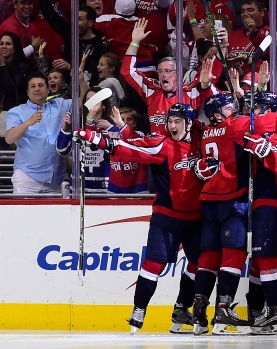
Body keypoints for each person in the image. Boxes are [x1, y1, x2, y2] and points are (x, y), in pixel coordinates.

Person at [73, 103, 203, 334]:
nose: (172, 126)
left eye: (177, 122)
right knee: (154, 264)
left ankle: (182, 308)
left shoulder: (200, 140)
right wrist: (94, 137)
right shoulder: (160, 144)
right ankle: (139, 310)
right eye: (169, 121)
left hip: (197, 218)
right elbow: (124, 147)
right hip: (167, 216)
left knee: (199, 263)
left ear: (190, 124)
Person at [192, 93, 277, 335]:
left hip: (221, 199)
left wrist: (269, 151)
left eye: (258, 108)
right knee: (253, 256)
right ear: (219, 114)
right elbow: (262, 125)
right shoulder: (238, 126)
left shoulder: (207, 132)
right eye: (233, 107)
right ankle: (276, 312)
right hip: (235, 199)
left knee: (256, 257)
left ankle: (203, 312)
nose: (244, 111)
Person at [121, 18, 216, 135]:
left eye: (167, 70)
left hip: (183, 150)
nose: (163, 74)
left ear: (178, 73)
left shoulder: (191, 92)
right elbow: (127, 71)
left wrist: (206, 85)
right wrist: (135, 42)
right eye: (160, 71)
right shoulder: (151, 90)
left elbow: (214, 100)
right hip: (157, 149)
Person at [5, 71, 71, 193]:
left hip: (55, 180)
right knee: (23, 213)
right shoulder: (16, 111)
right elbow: (9, 138)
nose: (37, 89)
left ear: (47, 89)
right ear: (27, 92)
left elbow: (84, 102)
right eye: (33, 86)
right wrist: (28, 122)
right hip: (27, 178)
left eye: (40, 85)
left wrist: (81, 80)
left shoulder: (61, 104)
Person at [56, 87, 115, 193]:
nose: (91, 103)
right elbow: (62, 150)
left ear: (103, 104)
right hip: (78, 188)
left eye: (95, 99)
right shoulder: (76, 124)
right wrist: (65, 129)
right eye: (88, 100)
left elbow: (115, 151)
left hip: (104, 186)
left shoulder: (110, 126)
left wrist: (111, 129)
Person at [0, 32, 31, 110]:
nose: (3, 46)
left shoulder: (23, 67)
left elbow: (13, 90)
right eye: (1, 43)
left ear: (15, 47)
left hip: (14, 110)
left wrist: (3, 66)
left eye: (8, 44)